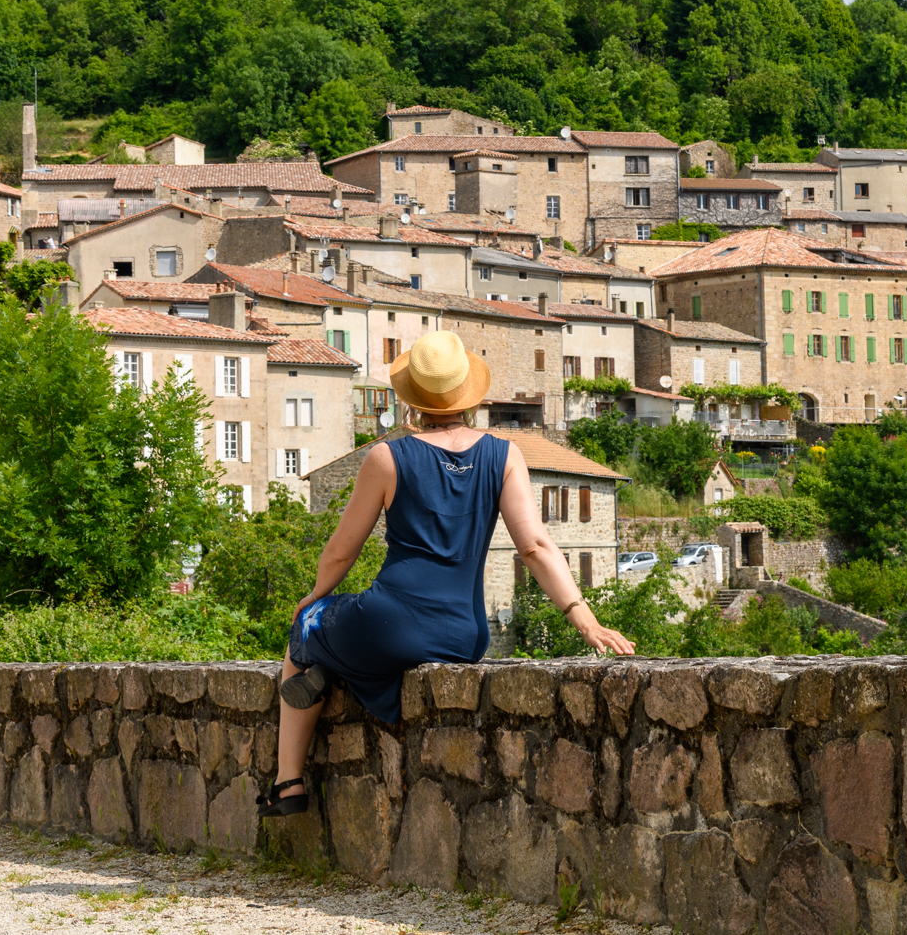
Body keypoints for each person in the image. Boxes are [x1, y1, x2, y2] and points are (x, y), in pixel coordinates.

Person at [259, 330, 636, 817]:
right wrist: (585, 620)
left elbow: (340, 554)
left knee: (306, 631)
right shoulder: (504, 456)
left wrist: (315, 596)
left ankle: (288, 782)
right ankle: (335, 667)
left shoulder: (387, 457)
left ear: (412, 400)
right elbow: (536, 546)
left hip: (389, 624)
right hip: (463, 635)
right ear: (468, 395)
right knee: (359, 642)